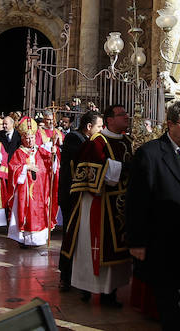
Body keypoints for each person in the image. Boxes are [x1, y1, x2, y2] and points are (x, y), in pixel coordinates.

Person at [127, 100, 180, 331]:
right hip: (159, 240)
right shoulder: (149, 153)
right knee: (166, 296)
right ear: (170, 124)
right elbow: (136, 201)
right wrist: (136, 241)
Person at [62, 104, 133, 306]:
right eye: (122, 114)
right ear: (109, 119)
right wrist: (125, 168)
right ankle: (88, 287)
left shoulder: (128, 141)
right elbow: (95, 171)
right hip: (100, 205)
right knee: (96, 249)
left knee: (117, 253)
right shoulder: (97, 142)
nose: (127, 117)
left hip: (120, 205)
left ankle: (111, 292)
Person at [58, 109, 102, 291]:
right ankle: (66, 276)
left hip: (79, 196)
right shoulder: (74, 139)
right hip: (71, 196)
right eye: (99, 127)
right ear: (89, 126)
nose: (102, 131)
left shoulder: (86, 140)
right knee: (71, 235)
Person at [7, 117, 57, 247]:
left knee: (39, 212)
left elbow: (52, 166)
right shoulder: (19, 153)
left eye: (32, 138)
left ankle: (38, 239)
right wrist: (26, 167)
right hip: (24, 192)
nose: (30, 140)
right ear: (22, 139)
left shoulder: (41, 151)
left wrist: (54, 155)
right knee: (26, 213)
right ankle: (24, 239)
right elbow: (12, 169)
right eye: (27, 138)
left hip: (40, 190)